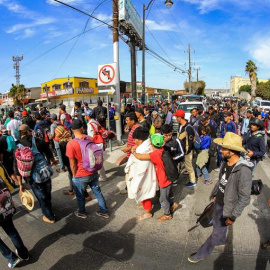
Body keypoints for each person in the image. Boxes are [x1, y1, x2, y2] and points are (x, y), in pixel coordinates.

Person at [188, 132, 253, 263]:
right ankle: (222, 240)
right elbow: (221, 181)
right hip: (218, 202)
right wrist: (215, 194)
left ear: (233, 152)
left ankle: (201, 253)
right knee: (218, 227)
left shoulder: (244, 171)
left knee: (216, 232)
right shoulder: (225, 162)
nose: (221, 150)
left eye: (224, 148)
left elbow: (245, 198)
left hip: (227, 209)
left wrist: (233, 216)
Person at [66, 120, 109, 219]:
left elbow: (72, 163)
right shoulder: (89, 138)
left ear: (72, 130)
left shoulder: (71, 144)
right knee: (97, 192)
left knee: (80, 195)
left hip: (81, 174)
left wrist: (74, 175)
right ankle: (104, 211)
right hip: (93, 170)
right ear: (82, 128)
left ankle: (82, 212)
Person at [14, 124, 57, 223]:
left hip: (32, 177)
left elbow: (16, 167)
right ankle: (49, 208)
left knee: (41, 196)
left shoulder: (18, 147)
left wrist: (20, 184)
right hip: (44, 171)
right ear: (29, 131)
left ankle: (49, 216)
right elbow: (49, 152)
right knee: (47, 193)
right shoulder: (37, 141)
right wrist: (52, 160)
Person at [131, 134, 179, 221]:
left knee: (162, 199)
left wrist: (133, 151)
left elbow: (140, 157)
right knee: (165, 196)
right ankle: (172, 204)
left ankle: (167, 214)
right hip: (167, 179)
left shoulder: (155, 154)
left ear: (152, 144)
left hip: (164, 181)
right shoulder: (161, 150)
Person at [125, 127, 158, 221]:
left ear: (140, 139)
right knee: (145, 192)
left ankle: (148, 213)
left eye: (135, 139)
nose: (134, 141)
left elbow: (140, 164)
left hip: (143, 176)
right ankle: (146, 206)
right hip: (148, 175)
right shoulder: (148, 145)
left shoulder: (141, 150)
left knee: (143, 191)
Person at [174, 110, 196, 187]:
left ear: (179, 117)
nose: (175, 118)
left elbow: (191, 140)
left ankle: (192, 181)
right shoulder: (180, 126)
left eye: (176, 117)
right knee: (177, 165)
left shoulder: (188, 127)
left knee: (188, 166)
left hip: (187, 151)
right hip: (179, 151)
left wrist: (187, 151)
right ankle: (175, 180)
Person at [84, 110, 108, 182]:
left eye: (85, 115)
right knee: (98, 160)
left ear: (88, 116)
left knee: (98, 160)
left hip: (96, 143)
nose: (84, 117)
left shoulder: (90, 124)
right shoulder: (95, 121)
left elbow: (91, 137)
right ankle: (101, 174)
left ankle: (103, 176)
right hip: (100, 142)